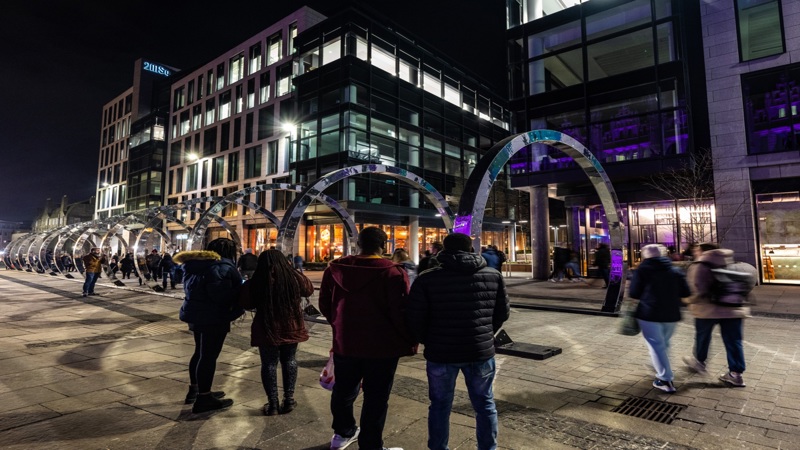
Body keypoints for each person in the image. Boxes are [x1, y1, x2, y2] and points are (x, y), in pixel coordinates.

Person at [407, 233, 510, 450]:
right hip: (480, 351)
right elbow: (502, 312)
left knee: (440, 406)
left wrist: (429, 340)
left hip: (441, 353)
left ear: (444, 250)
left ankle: (438, 447)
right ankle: (488, 447)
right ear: (471, 248)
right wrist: (485, 332)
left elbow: (415, 318)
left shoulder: (427, 278)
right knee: (485, 404)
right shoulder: (493, 275)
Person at [318, 226, 416, 450]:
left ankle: (342, 433)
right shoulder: (393, 272)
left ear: (359, 244)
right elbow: (400, 312)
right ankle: (371, 445)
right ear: (383, 247)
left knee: (343, 390)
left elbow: (325, 303)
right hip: (382, 346)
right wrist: (409, 339)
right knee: (376, 397)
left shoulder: (335, 269)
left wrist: (339, 323)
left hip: (345, 342)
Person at [239, 249, 314, 416]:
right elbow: (308, 289)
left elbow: (246, 302)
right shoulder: (292, 278)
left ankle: (273, 404)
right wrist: (291, 269)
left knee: (269, 363)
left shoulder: (256, 280)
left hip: (266, 327)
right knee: (290, 360)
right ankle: (289, 400)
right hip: (290, 325)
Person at [174, 238, 244, 414]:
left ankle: (195, 389)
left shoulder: (194, 265)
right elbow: (221, 296)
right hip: (214, 316)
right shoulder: (222, 267)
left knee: (199, 352)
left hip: (195, 313)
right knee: (208, 355)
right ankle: (204, 398)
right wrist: (240, 293)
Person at [683, 243, 755, 388]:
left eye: (697, 250)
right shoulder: (735, 263)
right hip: (734, 309)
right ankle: (736, 374)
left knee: (703, 336)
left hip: (707, 310)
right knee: (734, 341)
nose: (695, 253)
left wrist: (686, 300)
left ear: (703, 251)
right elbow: (750, 281)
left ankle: (699, 362)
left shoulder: (700, 266)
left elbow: (697, 291)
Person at [628, 244, 691, 393]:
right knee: (664, 343)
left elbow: (634, 293)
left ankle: (665, 379)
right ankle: (657, 365)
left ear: (645, 255)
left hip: (649, 313)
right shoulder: (675, 270)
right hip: (672, 313)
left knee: (656, 345)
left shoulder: (642, 270)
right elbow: (686, 291)